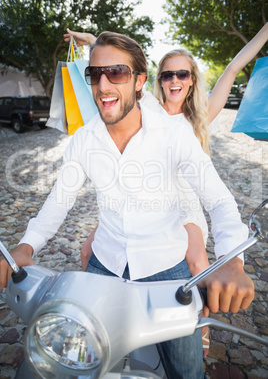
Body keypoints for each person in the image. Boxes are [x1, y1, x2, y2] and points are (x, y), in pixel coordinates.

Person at [0, 31, 254, 379]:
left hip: (169, 269)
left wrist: (231, 260)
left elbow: (219, 200)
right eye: (95, 74)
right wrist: (26, 245)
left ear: (139, 81)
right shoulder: (83, 141)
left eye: (116, 73)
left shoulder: (173, 134)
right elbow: (58, 201)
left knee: (188, 370)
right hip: (105, 263)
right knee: (72, 362)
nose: (104, 85)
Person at [64, 23, 268, 357]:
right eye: (167, 75)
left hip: (184, 207)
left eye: (182, 75)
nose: (174, 81)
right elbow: (118, 66)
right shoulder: (149, 111)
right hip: (142, 200)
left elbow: (233, 67)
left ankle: (193, 336)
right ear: (156, 80)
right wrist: (90, 40)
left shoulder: (201, 116)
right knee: (89, 251)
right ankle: (114, 326)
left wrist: (264, 32)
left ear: (192, 80)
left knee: (198, 262)